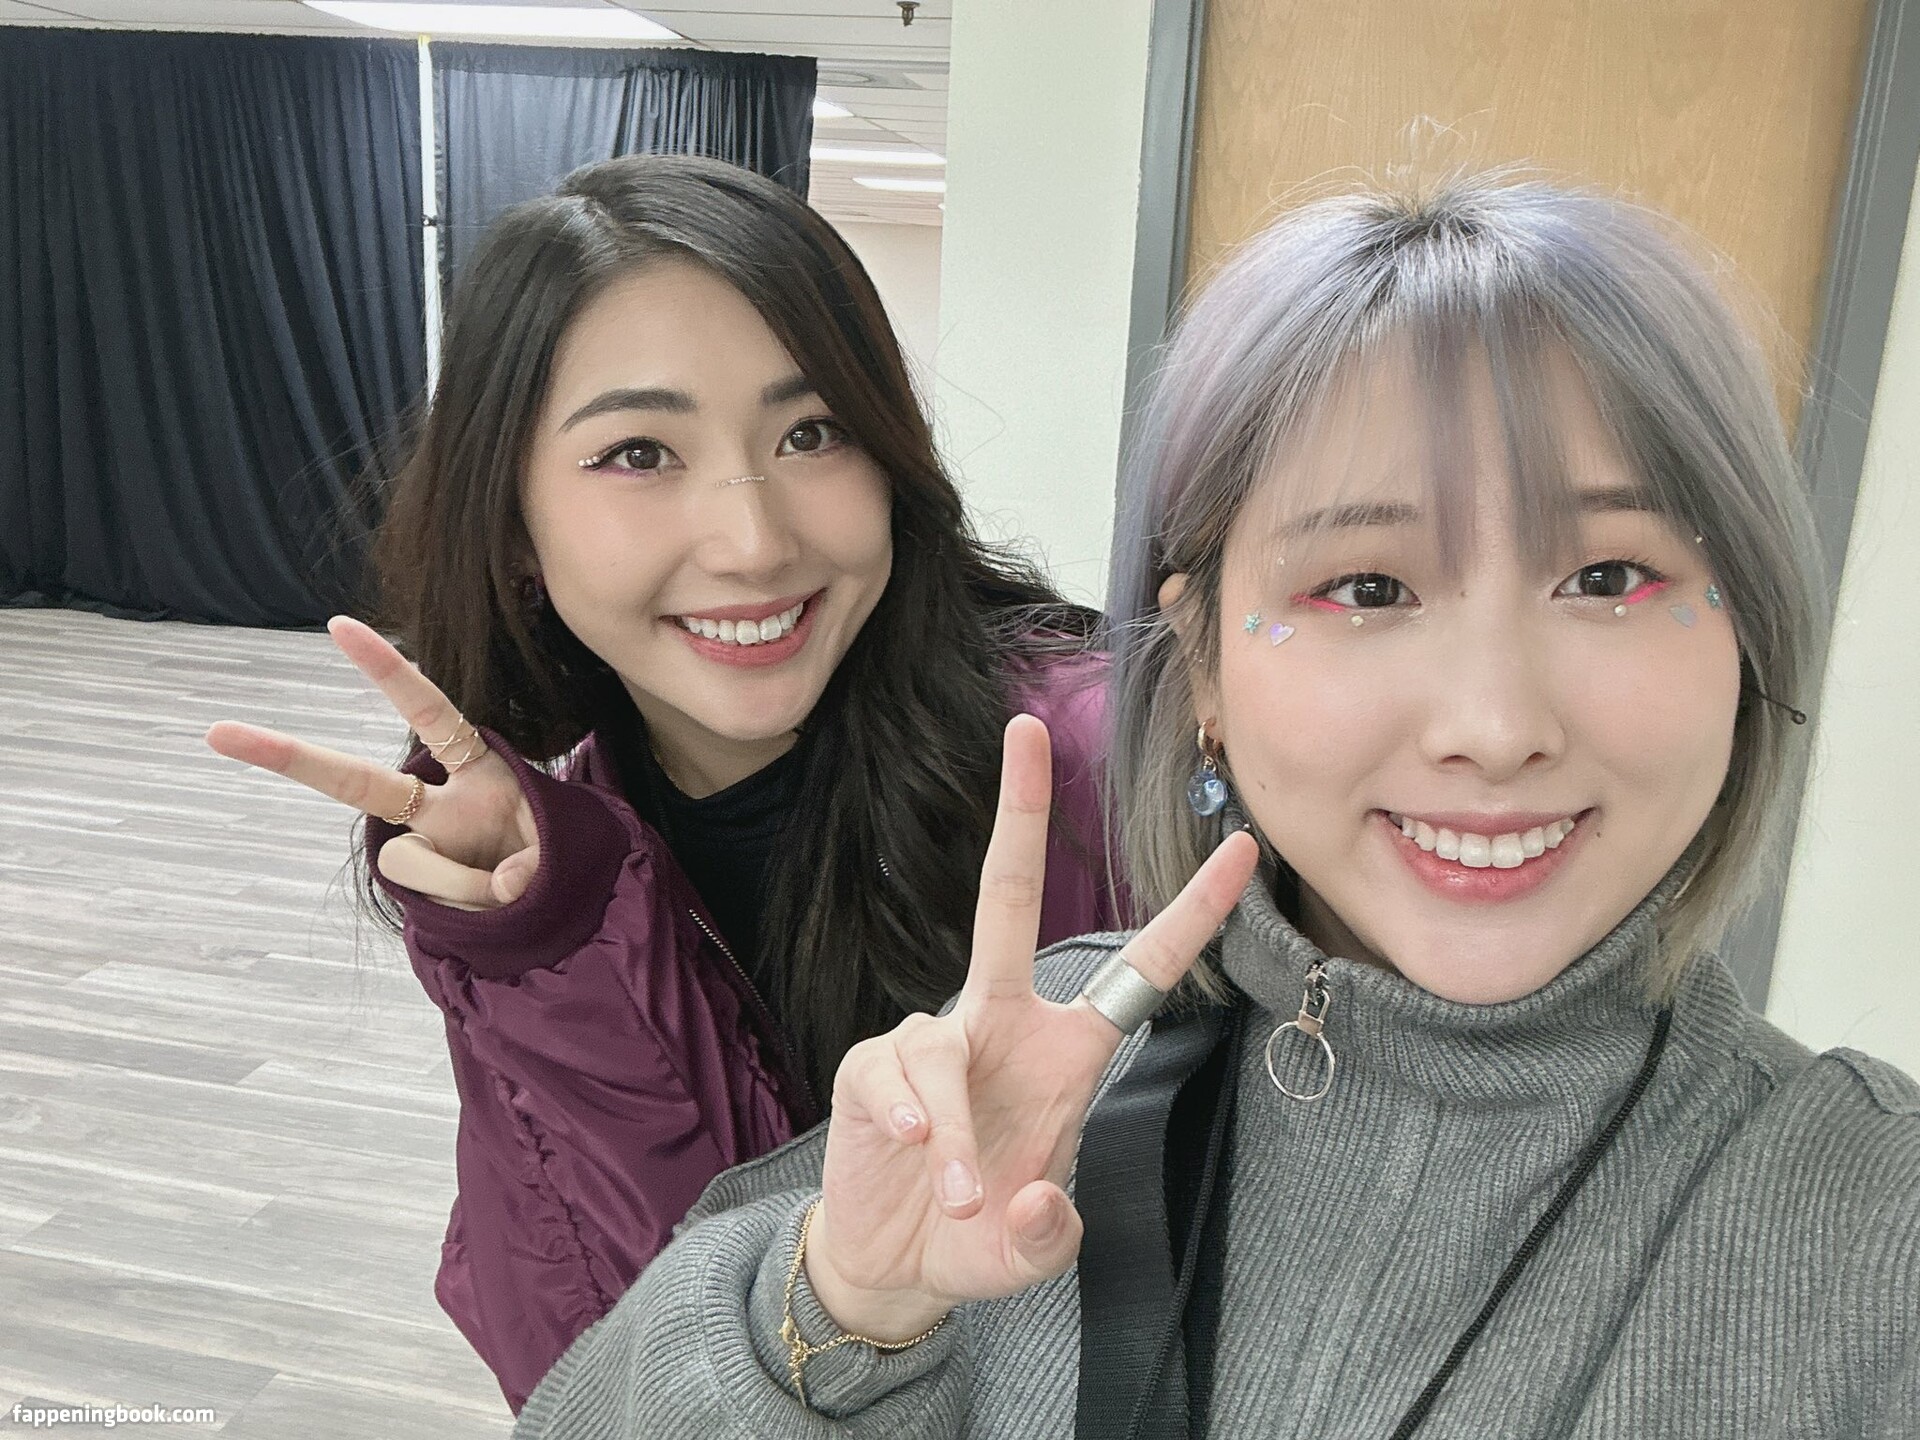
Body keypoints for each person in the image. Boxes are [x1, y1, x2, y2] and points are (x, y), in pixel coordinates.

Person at [506, 177, 1920, 1439]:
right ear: (1203, 672)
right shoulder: (1030, 1075)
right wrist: (839, 1313)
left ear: (1749, 634)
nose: (1496, 729)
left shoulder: (1876, 1223)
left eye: (1608, 577)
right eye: (1366, 587)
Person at [204, 155, 1123, 1414]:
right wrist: (554, 946)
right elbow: (604, 1373)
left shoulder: (1091, 769)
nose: (754, 542)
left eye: (812, 433)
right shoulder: (544, 866)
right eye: (639, 453)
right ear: (514, 530)